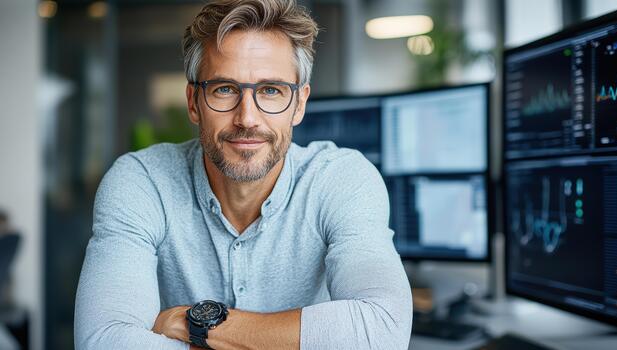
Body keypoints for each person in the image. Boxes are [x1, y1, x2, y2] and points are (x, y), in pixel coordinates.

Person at [74, 0, 412, 349]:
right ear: (193, 102)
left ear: (299, 104)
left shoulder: (342, 179)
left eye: (271, 90)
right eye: (224, 89)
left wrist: (195, 325)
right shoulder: (142, 182)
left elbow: (384, 330)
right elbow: (103, 339)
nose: (247, 117)